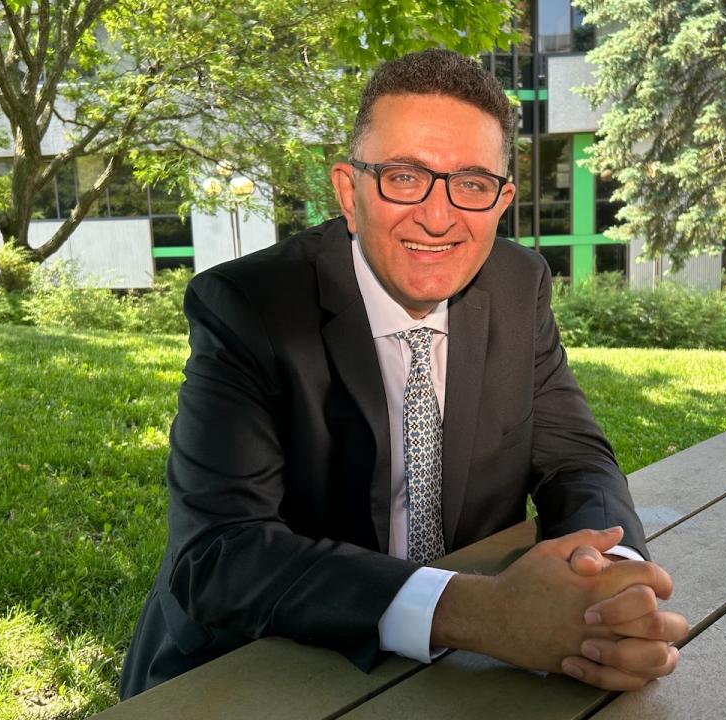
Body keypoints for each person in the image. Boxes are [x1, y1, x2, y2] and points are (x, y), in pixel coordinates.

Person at [120, 48, 687, 700]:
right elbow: (220, 555)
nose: (439, 217)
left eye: (472, 183)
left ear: (501, 200)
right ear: (348, 192)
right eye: (404, 176)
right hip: (258, 662)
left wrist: (611, 584)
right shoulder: (251, 307)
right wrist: (483, 612)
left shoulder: (517, 285)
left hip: (453, 679)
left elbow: (576, 460)